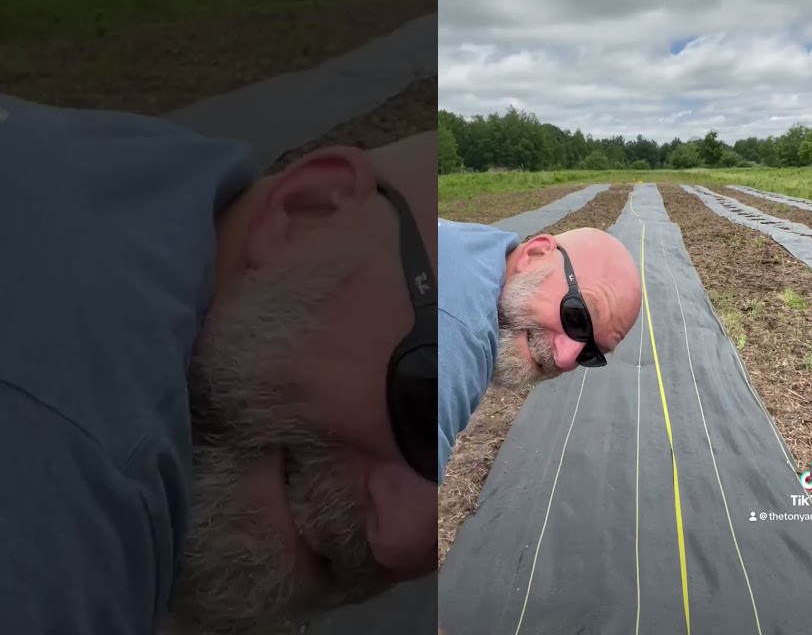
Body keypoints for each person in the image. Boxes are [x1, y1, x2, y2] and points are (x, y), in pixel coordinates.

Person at [0, 93, 440, 635]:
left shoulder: (155, 185)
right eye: (427, 396)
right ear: (310, 211)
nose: (396, 539)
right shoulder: (63, 477)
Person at [436, 219, 643, 484]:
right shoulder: (457, 331)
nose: (565, 358)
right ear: (534, 254)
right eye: (577, 316)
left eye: (589, 352)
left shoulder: (481, 248)